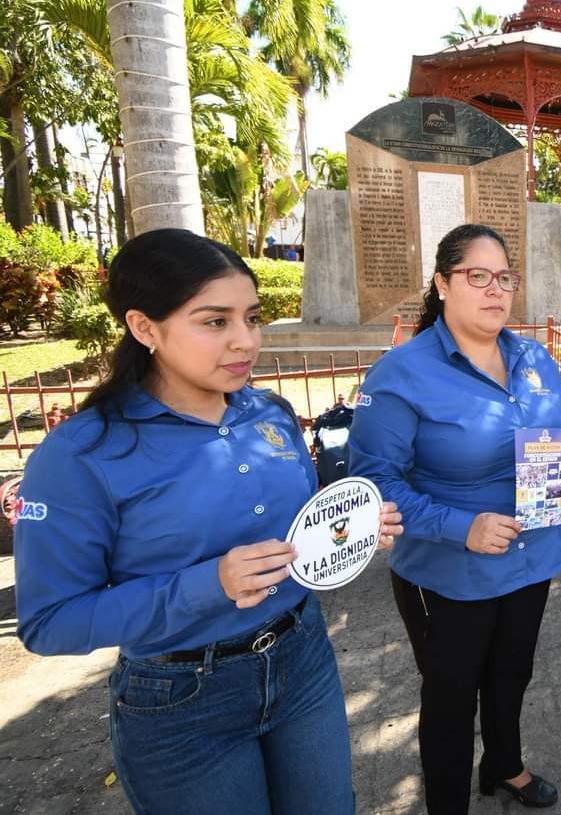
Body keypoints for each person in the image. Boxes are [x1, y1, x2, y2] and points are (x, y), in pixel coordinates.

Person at [13, 229, 404, 814]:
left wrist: (348, 529)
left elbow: (298, 533)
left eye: (252, 317)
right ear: (145, 328)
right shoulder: (80, 456)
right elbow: (49, 622)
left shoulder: (270, 415)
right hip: (179, 698)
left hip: (302, 660)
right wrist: (206, 584)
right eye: (214, 321)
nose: (245, 341)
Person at [348, 224, 561, 814]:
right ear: (442, 283)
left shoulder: (534, 357)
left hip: (530, 557)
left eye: (504, 277)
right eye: (476, 276)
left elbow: (552, 438)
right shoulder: (402, 373)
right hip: (447, 573)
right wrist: (462, 526)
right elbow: (373, 485)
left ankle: (505, 764)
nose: (495, 290)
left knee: (513, 675)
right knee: (451, 701)